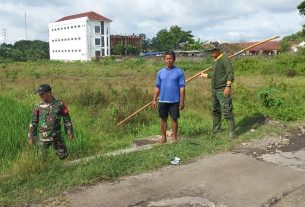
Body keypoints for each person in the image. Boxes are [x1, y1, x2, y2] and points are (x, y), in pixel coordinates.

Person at [28, 84, 74, 160]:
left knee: (64, 157)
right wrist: (31, 137)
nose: (40, 96)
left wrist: (69, 132)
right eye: (39, 94)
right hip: (43, 138)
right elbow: (33, 123)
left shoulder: (60, 104)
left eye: (42, 94)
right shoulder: (38, 106)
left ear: (49, 93)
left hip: (57, 137)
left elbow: (67, 119)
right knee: (41, 160)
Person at [200, 42, 236, 138]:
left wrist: (228, 86)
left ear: (218, 50)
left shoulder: (225, 59)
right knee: (215, 110)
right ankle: (216, 131)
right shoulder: (214, 60)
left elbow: (230, 74)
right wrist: (205, 75)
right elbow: (215, 74)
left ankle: (232, 132)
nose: (211, 52)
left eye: (213, 50)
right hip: (214, 89)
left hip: (222, 88)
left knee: (227, 110)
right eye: (210, 51)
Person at [152, 51, 185, 143]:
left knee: (174, 119)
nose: (169, 60)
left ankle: (174, 137)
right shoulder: (160, 72)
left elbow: (182, 87)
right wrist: (154, 99)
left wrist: (182, 101)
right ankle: (164, 138)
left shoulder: (179, 72)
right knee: (163, 119)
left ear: (174, 59)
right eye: (167, 59)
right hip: (162, 100)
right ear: (164, 60)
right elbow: (157, 87)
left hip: (174, 100)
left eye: (170, 58)